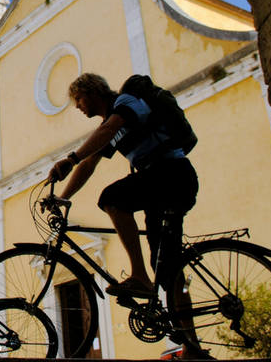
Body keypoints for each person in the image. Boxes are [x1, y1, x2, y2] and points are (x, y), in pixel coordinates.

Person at [47, 73, 209, 360]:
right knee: (169, 268)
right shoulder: (111, 125)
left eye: (78, 99)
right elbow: (89, 163)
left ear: (90, 91)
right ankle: (194, 349)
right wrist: (62, 197)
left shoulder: (125, 103)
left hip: (170, 175)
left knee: (112, 199)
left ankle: (139, 278)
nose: (77, 106)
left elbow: (108, 130)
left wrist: (69, 158)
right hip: (163, 183)